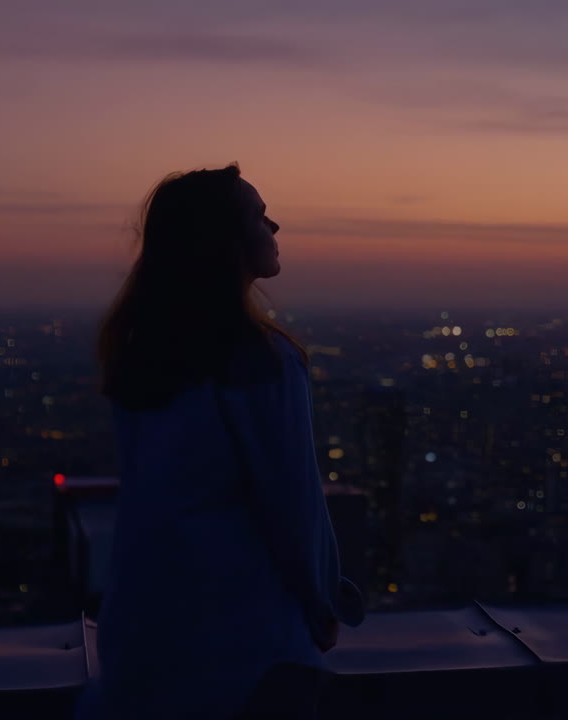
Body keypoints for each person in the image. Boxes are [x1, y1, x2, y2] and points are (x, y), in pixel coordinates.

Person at [76, 163, 363, 719]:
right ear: (222, 241)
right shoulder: (262, 359)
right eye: (258, 216)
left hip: (144, 621)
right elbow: (292, 500)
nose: (274, 226)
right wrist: (322, 600)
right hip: (243, 631)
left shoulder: (143, 352)